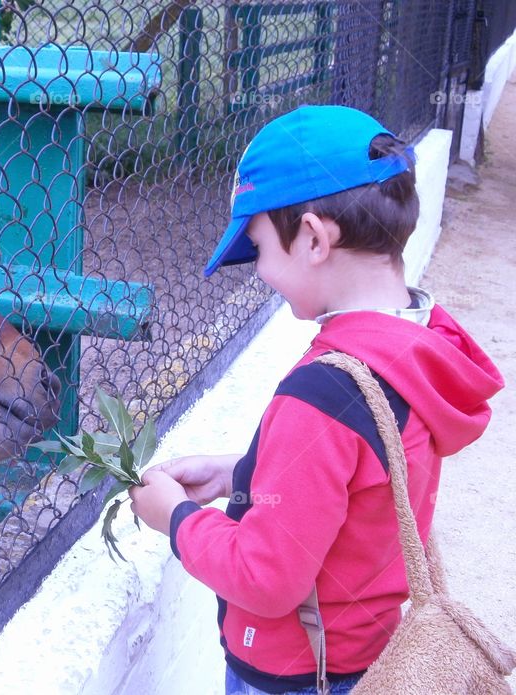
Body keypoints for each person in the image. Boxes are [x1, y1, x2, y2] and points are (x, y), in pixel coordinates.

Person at [127, 105, 504, 695]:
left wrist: (174, 519)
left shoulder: (325, 392)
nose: (260, 274)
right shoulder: (418, 348)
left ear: (312, 238)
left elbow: (265, 576)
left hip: (296, 675)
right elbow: (367, 477)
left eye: (258, 250)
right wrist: (241, 473)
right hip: (367, 651)